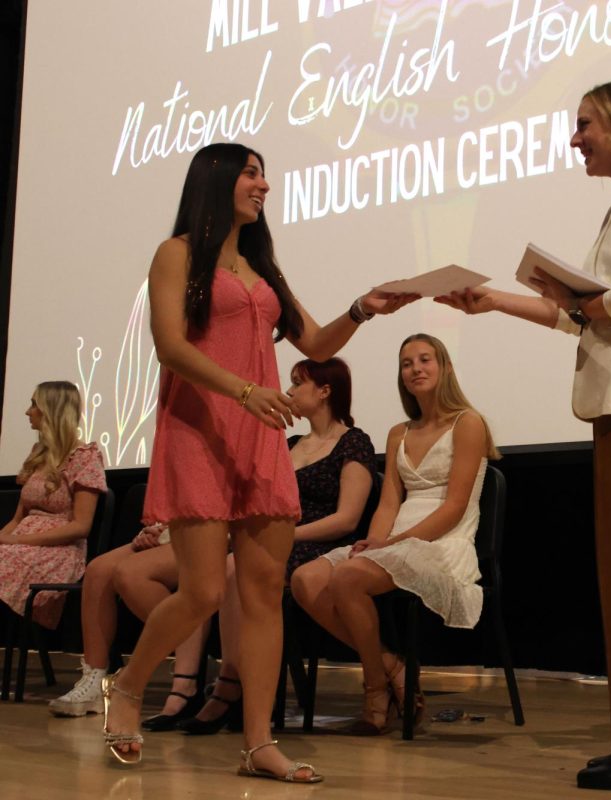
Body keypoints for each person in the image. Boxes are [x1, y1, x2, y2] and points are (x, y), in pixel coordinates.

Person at [99, 141, 414, 781]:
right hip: (199, 433)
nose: (263, 185)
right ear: (216, 179)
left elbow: (317, 341)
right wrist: (245, 391)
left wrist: (362, 308)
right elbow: (168, 346)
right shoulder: (177, 254)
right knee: (204, 591)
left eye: (264, 174)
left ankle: (258, 745)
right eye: (250, 173)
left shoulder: (262, 267)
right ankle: (128, 686)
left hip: (260, 440)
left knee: (263, 593)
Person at [437, 79, 611, 790]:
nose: (575, 139)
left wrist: (585, 299)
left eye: (586, 124)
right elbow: (591, 314)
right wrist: (499, 300)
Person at [291, 333, 498, 736]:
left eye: (425, 360)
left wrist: (391, 545)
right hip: (394, 541)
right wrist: (374, 542)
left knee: (347, 578)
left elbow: (454, 506)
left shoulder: (468, 423)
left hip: (443, 540)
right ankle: (394, 669)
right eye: (407, 363)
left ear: (445, 368)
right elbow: (388, 504)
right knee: (305, 579)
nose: (416, 369)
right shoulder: (399, 432)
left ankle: (374, 693)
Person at [179, 356, 375, 735]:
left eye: (297, 384)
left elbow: (346, 519)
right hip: (277, 541)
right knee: (217, 570)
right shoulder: (290, 443)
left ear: (324, 391)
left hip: (321, 545)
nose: (287, 391)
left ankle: (230, 687)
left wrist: (283, 536)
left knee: (239, 567)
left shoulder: (354, 442)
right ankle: (230, 685)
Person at [47, 521, 211, 731]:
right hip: (174, 527)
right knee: (99, 570)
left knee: (131, 573)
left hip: (208, 530)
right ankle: (95, 679)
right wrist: (151, 530)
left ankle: (187, 674)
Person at [0, 382, 107, 632]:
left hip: (58, 551)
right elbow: (18, 518)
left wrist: (18, 542)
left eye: (34, 404)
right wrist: (5, 537)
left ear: (51, 410)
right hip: (21, 544)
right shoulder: (38, 454)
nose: (28, 411)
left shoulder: (85, 456)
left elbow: (81, 526)